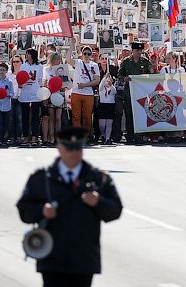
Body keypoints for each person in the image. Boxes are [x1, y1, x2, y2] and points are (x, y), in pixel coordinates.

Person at [17, 127, 123, 287]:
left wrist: (98, 202)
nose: (74, 153)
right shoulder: (42, 179)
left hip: (84, 259)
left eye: (77, 148)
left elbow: (116, 209)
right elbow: (24, 209)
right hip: (52, 258)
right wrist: (41, 211)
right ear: (59, 148)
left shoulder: (97, 179)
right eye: (69, 148)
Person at [115, 42, 152, 144]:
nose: (139, 52)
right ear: (133, 51)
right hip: (129, 92)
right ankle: (130, 136)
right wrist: (125, 79)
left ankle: (139, 136)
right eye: (137, 50)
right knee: (129, 114)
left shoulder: (145, 62)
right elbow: (119, 75)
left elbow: (150, 75)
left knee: (140, 114)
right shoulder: (126, 61)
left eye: (140, 50)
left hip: (141, 92)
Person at [20, 49, 45, 146]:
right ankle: (26, 136)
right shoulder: (23, 66)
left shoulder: (39, 66)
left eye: (28, 54)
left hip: (35, 94)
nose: (26, 55)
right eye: (26, 54)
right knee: (25, 117)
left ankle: (35, 137)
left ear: (33, 55)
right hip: (25, 93)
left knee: (35, 117)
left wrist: (41, 92)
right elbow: (21, 78)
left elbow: (40, 80)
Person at [73, 47, 100, 136]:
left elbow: (97, 80)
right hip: (76, 92)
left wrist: (85, 85)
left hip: (88, 94)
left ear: (91, 55)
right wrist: (72, 44)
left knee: (87, 117)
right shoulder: (77, 62)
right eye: (85, 53)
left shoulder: (94, 65)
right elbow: (68, 59)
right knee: (76, 116)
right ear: (82, 54)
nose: (86, 55)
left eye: (89, 54)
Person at [0, 62, 17, 146]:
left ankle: (6, 137)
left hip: (6, 105)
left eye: (4, 70)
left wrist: (6, 95)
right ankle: (0, 139)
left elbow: (12, 93)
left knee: (6, 122)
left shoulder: (9, 82)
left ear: (6, 71)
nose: (2, 71)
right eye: (0, 70)